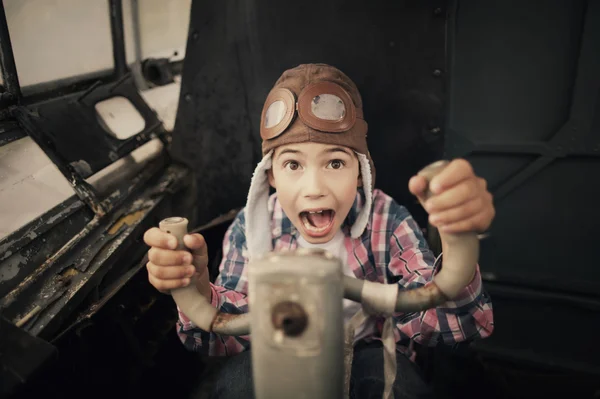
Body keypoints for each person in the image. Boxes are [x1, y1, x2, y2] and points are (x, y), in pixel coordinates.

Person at [143, 64, 495, 398]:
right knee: (237, 383)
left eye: (336, 162)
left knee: (395, 384)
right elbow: (225, 339)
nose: (314, 187)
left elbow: (458, 325)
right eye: (293, 164)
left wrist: (458, 237)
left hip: (366, 348)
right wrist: (196, 288)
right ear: (271, 176)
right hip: (278, 349)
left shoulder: (387, 219)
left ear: (360, 173)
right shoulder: (250, 228)